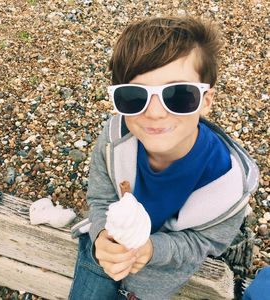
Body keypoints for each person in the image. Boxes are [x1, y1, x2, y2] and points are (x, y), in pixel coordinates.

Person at [69, 16, 259, 300]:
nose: (155, 113)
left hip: (154, 284)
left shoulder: (227, 186)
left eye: (179, 95)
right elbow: (100, 200)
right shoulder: (113, 142)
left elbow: (202, 242)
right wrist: (100, 238)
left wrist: (152, 249)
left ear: (206, 101)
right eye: (135, 96)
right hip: (101, 261)